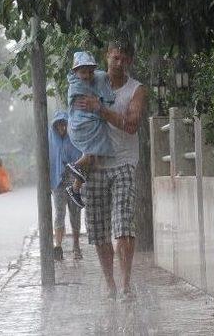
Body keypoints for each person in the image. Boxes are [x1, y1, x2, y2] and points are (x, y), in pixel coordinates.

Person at [74, 39, 147, 299]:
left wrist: (101, 109)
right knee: (97, 228)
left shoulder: (136, 90)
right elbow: (75, 108)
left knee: (123, 225)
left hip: (124, 162)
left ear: (129, 61)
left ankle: (126, 284)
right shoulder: (92, 81)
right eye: (114, 57)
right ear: (107, 57)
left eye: (123, 58)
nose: (118, 63)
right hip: (96, 164)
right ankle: (110, 283)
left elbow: (131, 125)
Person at [65, 50, 115, 208]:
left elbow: (101, 88)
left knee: (93, 158)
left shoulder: (97, 78)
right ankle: (77, 165)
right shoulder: (76, 86)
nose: (86, 75)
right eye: (82, 72)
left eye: (89, 72)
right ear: (75, 72)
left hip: (89, 122)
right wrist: (100, 102)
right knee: (94, 151)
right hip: (83, 124)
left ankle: (75, 188)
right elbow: (102, 100)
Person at [48, 110, 83, 261]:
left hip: (73, 179)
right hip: (58, 181)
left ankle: (76, 246)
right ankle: (58, 246)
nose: (61, 128)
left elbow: (80, 157)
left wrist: (79, 180)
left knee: (75, 214)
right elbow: (49, 160)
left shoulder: (74, 138)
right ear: (55, 126)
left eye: (64, 124)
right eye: (58, 125)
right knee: (59, 214)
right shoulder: (50, 140)